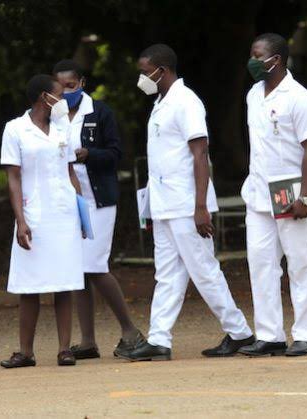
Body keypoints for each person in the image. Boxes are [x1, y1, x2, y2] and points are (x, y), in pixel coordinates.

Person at [119, 44, 255, 362]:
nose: (142, 78)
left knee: (204, 269)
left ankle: (240, 333)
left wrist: (200, 206)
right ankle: (159, 339)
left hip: (186, 204)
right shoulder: (161, 102)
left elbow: (200, 154)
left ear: (161, 70)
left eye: (144, 72)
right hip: (164, 204)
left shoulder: (186, 102)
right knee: (166, 273)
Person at [51, 59, 144, 359]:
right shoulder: (54, 117)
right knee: (79, 269)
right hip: (69, 200)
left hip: (99, 199)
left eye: (71, 86)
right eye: (60, 87)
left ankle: (130, 330)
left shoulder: (100, 112)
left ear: (82, 83)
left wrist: (88, 154)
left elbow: (117, 153)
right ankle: (88, 341)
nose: (66, 92)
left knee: (95, 265)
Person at [238, 33, 307, 357]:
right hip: (258, 193)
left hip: (290, 195)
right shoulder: (252, 95)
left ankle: (304, 335)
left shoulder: (299, 98)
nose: (253, 62)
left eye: (258, 56)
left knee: (300, 264)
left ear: (277, 59)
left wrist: (306, 197)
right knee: (260, 264)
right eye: (251, 55)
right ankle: (270, 335)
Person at [0, 74, 84, 368]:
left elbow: (70, 171)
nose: (63, 101)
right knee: (30, 285)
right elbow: (13, 178)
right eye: (58, 95)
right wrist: (20, 221)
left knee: (64, 283)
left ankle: (64, 349)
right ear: (42, 98)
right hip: (32, 214)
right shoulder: (15, 129)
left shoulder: (64, 127)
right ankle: (26, 352)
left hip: (64, 214)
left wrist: (81, 208)